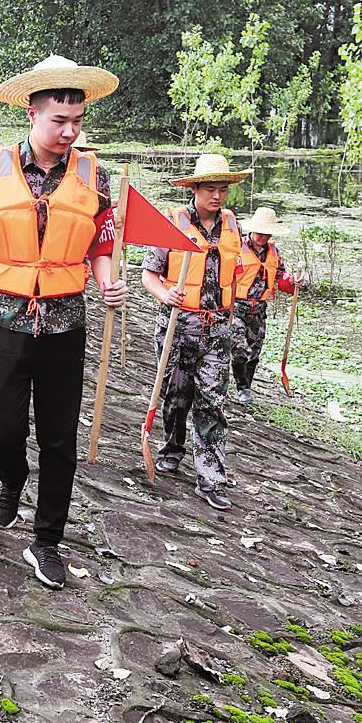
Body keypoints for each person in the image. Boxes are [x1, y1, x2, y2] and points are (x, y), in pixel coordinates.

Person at [0, 55, 127, 590]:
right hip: (4, 316)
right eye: (60, 120)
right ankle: (10, 479)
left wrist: (107, 279)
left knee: (58, 438)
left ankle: (47, 540)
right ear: (33, 113)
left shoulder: (94, 176)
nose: (70, 131)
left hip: (65, 324)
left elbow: (100, 239)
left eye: (78, 121)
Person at [141, 154, 249, 510]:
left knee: (212, 403)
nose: (217, 196)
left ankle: (211, 477)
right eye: (210, 189)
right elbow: (149, 275)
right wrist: (165, 293)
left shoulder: (234, 227)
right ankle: (172, 447)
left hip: (217, 330)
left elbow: (241, 275)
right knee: (176, 397)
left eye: (223, 189)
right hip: (177, 326)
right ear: (196, 190)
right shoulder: (174, 224)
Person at [230, 206, 302, 406]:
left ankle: (246, 387)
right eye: (259, 232)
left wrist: (293, 281)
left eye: (265, 233)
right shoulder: (238, 247)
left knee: (254, 351)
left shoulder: (273, 252)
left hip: (259, 310)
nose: (261, 237)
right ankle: (242, 387)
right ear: (252, 230)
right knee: (239, 349)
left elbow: (280, 277)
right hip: (237, 307)